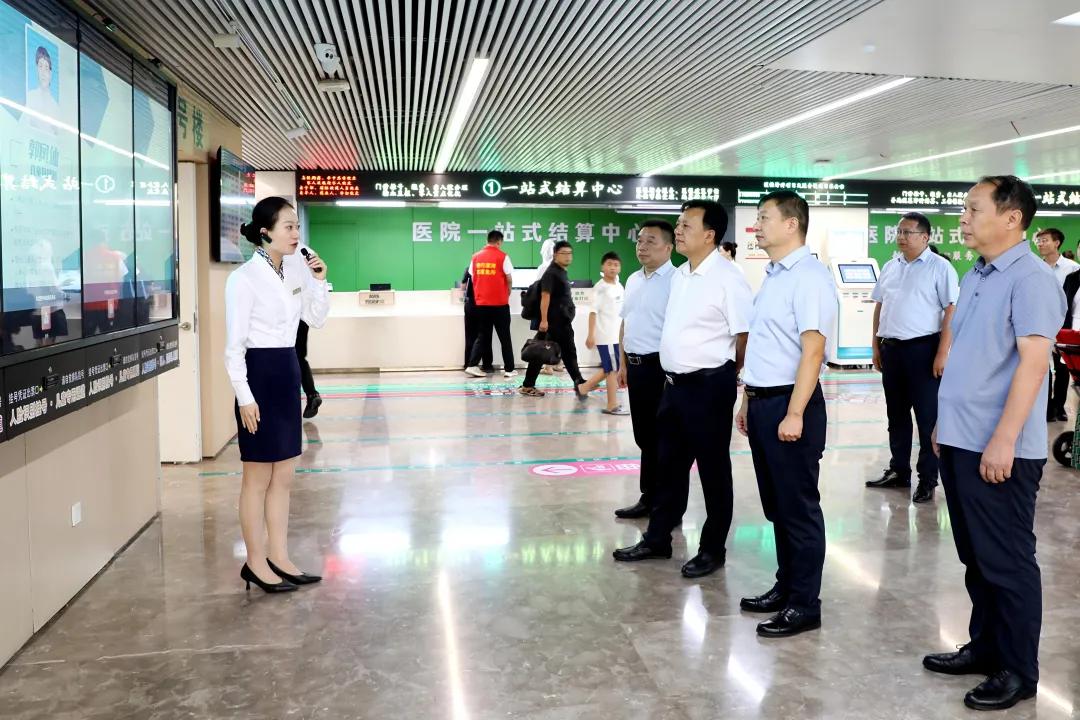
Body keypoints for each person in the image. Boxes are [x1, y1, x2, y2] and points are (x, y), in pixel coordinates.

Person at [924, 176, 1064, 711]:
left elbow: (1033, 365)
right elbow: (970, 356)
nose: (963, 218)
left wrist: (1004, 439)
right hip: (961, 438)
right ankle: (985, 647)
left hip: (999, 448)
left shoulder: (1031, 280)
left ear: (1012, 218)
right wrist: (944, 422)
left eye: (973, 209)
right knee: (976, 557)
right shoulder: (977, 273)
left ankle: (1018, 670)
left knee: (1007, 561)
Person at [613, 200, 752, 580]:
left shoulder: (727, 278)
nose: (678, 231)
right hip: (672, 386)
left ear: (709, 234)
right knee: (668, 466)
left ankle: (712, 549)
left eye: (686, 225)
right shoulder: (681, 276)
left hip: (708, 386)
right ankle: (657, 538)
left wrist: (728, 373)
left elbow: (744, 334)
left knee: (713, 470)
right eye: (678, 224)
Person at [735, 190, 836, 639]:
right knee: (777, 506)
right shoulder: (774, 275)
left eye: (764, 218)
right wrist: (747, 399)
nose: (757, 226)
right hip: (764, 401)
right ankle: (786, 586)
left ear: (792, 224)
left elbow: (812, 351)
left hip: (790, 404)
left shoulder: (809, 277)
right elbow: (765, 345)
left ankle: (804, 604)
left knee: (798, 509)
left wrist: (794, 413)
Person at [225, 197, 330, 594]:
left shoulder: (297, 268)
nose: (296, 234)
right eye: (288, 226)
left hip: (287, 369)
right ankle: (255, 562)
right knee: (257, 475)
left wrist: (319, 280)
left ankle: (280, 557)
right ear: (265, 232)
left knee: (284, 474)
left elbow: (316, 318)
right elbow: (234, 347)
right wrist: (244, 396)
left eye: (297, 226)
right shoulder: (244, 279)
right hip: (258, 374)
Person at [866, 213, 959, 504]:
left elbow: (951, 310)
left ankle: (928, 479)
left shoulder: (940, 267)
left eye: (908, 232)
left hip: (924, 351)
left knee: (927, 418)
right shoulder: (891, 266)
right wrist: (875, 345)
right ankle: (899, 471)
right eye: (899, 232)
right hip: (892, 350)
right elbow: (880, 306)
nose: (901, 237)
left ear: (925, 237)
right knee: (896, 416)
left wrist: (942, 352)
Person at [613, 220, 676, 519]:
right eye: (640, 240)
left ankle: (667, 504)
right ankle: (648, 497)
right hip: (636, 367)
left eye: (651, 241)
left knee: (665, 438)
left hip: (661, 368)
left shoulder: (677, 281)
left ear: (669, 247)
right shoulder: (633, 279)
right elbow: (626, 322)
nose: (642, 246)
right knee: (644, 436)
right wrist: (623, 363)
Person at [520, 241, 586, 398]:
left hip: (561, 322)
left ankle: (578, 382)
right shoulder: (551, 273)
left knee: (547, 353)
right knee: (552, 353)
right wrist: (544, 320)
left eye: (570, 253)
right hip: (554, 323)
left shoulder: (561, 272)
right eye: (564, 253)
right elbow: (545, 296)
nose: (568, 256)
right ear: (555, 254)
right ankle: (579, 382)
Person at [1034, 228, 1078, 421]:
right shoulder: (1035, 267)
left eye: (1044, 240)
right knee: (1042, 368)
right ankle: (1045, 407)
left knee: (1062, 367)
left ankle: (1059, 406)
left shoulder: (1072, 268)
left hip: (1063, 325)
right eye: (1039, 241)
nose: (1040, 244)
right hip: (1040, 324)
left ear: (1057, 243)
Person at [464, 230, 516, 378]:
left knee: (483, 336)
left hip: (481, 304)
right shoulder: (503, 256)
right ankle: (509, 369)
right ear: (499, 242)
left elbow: (472, 277)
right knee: (504, 337)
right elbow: (509, 278)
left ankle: (472, 365)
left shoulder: (475, 257)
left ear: (488, 240)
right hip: (500, 305)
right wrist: (508, 291)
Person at [580, 251, 627, 414]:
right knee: (612, 370)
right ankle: (612, 405)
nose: (613, 267)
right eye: (609, 264)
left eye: (616, 264)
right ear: (603, 267)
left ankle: (584, 387)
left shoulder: (619, 285)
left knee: (611, 367)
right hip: (606, 336)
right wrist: (590, 335)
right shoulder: (600, 288)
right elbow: (593, 313)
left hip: (617, 336)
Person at [289, 241, 322, 418]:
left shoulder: (283, 253)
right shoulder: (307, 251)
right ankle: (311, 394)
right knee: (299, 356)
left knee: (288, 357)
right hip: (304, 314)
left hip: (290, 314)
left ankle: (293, 401)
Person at [461, 267, 494, 374]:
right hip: (485, 304)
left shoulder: (470, 268)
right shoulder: (489, 268)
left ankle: (468, 363)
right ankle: (487, 365)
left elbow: (463, 286)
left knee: (470, 335)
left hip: (470, 304)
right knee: (485, 335)